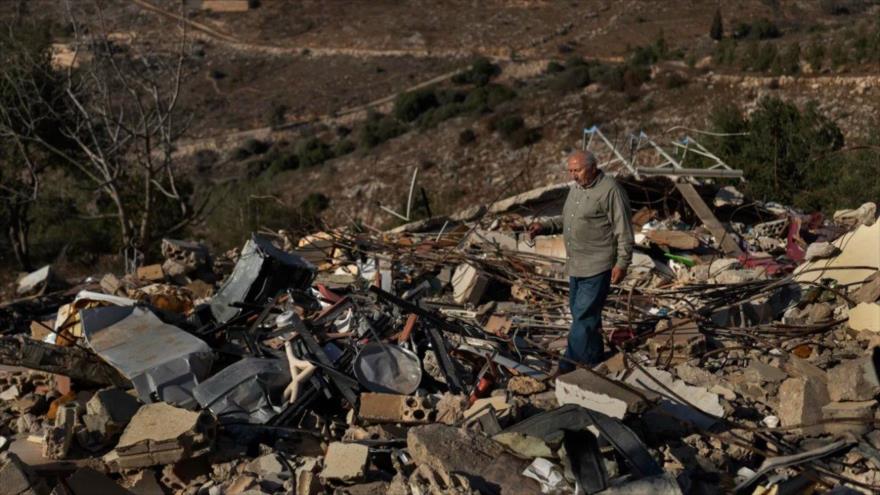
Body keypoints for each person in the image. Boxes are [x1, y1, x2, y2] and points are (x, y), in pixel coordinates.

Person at [529, 150, 634, 372]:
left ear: (593, 167)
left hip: (598, 265)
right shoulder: (577, 189)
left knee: (583, 318)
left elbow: (624, 231)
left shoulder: (610, 191)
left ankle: (568, 367)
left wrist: (622, 263)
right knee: (586, 317)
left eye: (577, 170)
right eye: (570, 171)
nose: (573, 175)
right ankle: (594, 360)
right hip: (576, 265)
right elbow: (568, 220)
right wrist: (544, 227)